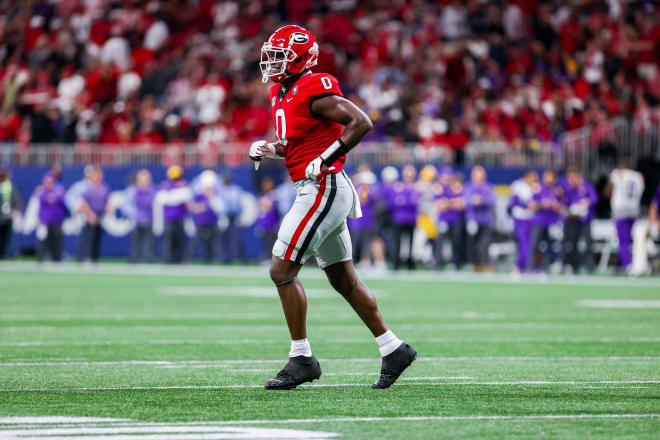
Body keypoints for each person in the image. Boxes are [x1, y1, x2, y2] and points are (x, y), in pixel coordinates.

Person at [249, 25, 416, 390]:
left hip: (323, 186)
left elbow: (361, 122)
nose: (272, 63)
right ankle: (393, 348)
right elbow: (297, 145)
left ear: (300, 58)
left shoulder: (313, 85)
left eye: (280, 56)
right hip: (316, 186)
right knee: (342, 278)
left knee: (281, 269)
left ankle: (301, 358)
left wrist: (327, 157)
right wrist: (270, 148)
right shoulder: (283, 91)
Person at [606, 162, 644, 273]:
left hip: (621, 210)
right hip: (634, 210)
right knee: (630, 239)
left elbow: (608, 191)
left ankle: (628, 265)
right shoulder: (638, 176)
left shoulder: (618, 173)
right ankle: (622, 263)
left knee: (623, 240)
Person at [347, 166, 386, 271]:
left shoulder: (371, 189)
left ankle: (374, 261)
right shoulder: (358, 188)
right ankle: (365, 260)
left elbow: (371, 201)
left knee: (369, 241)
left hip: (368, 220)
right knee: (360, 242)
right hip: (359, 220)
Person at [561, 168, 598, 274]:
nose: (571, 180)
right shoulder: (568, 188)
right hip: (572, 221)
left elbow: (595, 198)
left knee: (588, 244)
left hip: (585, 221)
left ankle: (590, 267)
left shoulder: (587, 187)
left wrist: (587, 202)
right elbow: (564, 202)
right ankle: (573, 266)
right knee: (571, 244)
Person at [385, 164, 420, 270]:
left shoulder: (416, 187)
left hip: (411, 219)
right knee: (397, 241)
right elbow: (392, 202)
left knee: (411, 242)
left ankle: (410, 263)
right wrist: (405, 202)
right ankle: (395, 263)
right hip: (398, 218)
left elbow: (415, 203)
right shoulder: (398, 186)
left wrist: (403, 201)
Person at [463, 166, 495, 271]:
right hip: (473, 219)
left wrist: (483, 200)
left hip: (485, 219)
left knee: (485, 243)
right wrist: (473, 201)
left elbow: (492, 201)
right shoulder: (469, 187)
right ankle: (473, 263)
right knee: (473, 244)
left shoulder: (488, 187)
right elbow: (465, 201)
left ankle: (486, 263)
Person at [531, 170, 563, 273]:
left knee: (551, 245)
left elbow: (562, 207)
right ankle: (533, 266)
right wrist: (542, 204)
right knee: (535, 244)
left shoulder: (557, 191)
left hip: (552, 222)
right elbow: (532, 205)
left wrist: (553, 204)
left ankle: (548, 266)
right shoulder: (538, 189)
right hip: (539, 221)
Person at [158, 165, 190, 264]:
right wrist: (176, 197)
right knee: (169, 240)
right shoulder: (165, 185)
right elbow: (162, 199)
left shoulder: (183, 186)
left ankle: (178, 259)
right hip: (169, 218)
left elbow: (185, 197)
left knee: (180, 240)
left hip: (180, 218)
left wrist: (172, 197)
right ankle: (168, 259)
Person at [435, 168, 466, 270]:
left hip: (456, 220)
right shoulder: (440, 189)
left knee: (456, 243)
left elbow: (461, 204)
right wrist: (452, 203)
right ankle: (438, 264)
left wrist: (447, 203)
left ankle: (455, 264)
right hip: (443, 220)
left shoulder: (456, 188)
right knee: (440, 243)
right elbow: (439, 206)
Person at [189, 170, 223, 263]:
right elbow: (194, 208)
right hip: (201, 221)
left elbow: (220, 208)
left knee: (214, 242)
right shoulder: (200, 196)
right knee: (195, 242)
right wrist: (202, 206)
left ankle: (215, 260)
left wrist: (210, 199)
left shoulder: (216, 196)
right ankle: (188, 259)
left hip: (212, 222)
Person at [123, 169, 156, 263]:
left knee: (150, 242)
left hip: (150, 220)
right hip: (137, 221)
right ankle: (134, 259)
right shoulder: (132, 190)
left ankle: (150, 259)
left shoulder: (152, 189)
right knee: (136, 242)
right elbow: (125, 205)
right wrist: (134, 214)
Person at [509, 171, 539, 274]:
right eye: (533, 178)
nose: (535, 181)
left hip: (531, 219)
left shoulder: (535, 187)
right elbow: (515, 201)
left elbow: (538, 200)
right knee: (524, 244)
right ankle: (519, 267)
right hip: (520, 219)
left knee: (531, 244)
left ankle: (529, 266)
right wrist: (527, 205)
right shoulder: (518, 185)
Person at [78, 166, 109, 263]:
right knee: (88, 238)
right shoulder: (88, 188)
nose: (99, 177)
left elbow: (106, 202)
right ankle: (84, 257)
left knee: (96, 238)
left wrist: (106, 209)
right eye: (96, 175)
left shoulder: (104, 188)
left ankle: (94, 258)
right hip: (89, 216)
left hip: (100, 216)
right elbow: (83, 204)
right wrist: (90, 215)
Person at [34, 172, 67, 261]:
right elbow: (43, 198)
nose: (48, 183)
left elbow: (60, 197)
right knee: (42, 241)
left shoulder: (59, 189)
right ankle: (40, 259)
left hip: (56, 222)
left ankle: (57, 259)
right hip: (44, 222)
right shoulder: (41, 190)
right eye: (47, 182)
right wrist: (51, 198)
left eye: (50, 181)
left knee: (56, 242)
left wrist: (51, 198)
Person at [219, 174, 244, 263]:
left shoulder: (236, 189)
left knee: (236, 238)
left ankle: (242, 258)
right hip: (224, 216)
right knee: (224, 238)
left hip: (234, 216)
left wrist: (240, 216)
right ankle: (225, 258)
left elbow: (239, 205)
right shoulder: (220, 190)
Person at [255, 177, 280, 262]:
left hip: (272, 224)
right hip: (264, 224)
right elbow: (260, 209)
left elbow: (270, 207)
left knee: (272, 242)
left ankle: (272, 259)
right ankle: (267, 257)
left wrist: (264, 203)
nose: (266, 186)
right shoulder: (262, 195)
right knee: (265, 242)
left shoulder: (274, 195)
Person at [0, 166, 23, 259]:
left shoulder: (10, 185)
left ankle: (9, 253)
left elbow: (17, 199)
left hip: (8, 216)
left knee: (8, 236)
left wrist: (16, 210)